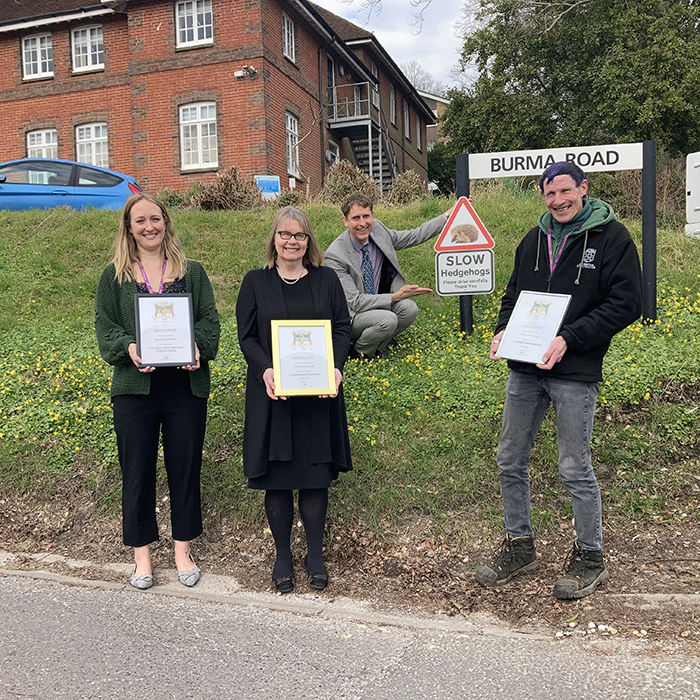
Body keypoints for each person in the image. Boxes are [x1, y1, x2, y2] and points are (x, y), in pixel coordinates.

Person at [475, 161, 643, 599]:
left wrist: (570, 338)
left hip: (575, 371)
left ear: (583, 189)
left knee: (574, 466)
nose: (558, 201)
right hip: (526, 370)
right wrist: (503, 329)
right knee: (510, 458)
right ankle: (520, 546)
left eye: (566, 191)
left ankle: (591, 556)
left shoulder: (613, 238)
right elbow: (513, 294)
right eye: (550, 194)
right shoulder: (534, 239)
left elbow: (626, 303)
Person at [95, 193, 220, 590]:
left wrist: (198, 347)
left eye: (155, 219)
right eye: (140, 221)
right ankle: (142, 556)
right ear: (128, 228)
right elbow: (106, 330)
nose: (149, 226)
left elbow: (209, 322)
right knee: (136, 469)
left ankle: (183, 549)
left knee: (185, 466)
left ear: (166, 222)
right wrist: (129, 348)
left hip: (184, 386)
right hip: (135, 390)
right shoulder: (114, 277)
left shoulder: (192, 273)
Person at [236, 206, 352, 593]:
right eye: (285, 234)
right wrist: (267, 369)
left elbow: (341, 328)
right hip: (273, 395)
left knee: (315, 476)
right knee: (279, 479)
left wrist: (335, 367)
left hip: (318, 394)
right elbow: (247, 337)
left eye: (299, 235)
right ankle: (283, 555)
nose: (291, 241)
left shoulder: (326, 280)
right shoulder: (255, 282)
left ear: (309, 242)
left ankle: (314, 554)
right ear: (274, 239)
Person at [324, 193, 452, 359]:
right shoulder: (335, 255)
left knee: (409, 309)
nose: (362, 223)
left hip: (380, 305)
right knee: (388, 320)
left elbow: (415, 235)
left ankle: (377, 347)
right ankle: (359, 352)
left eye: (366, 216)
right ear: (345, 221)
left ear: (373, 216)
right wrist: (394, 297)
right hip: (354, 316)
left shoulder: (378, 230)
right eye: (356, 218)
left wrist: (448, 216)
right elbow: (354, 302)